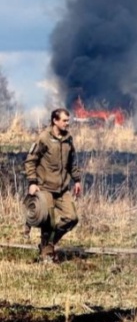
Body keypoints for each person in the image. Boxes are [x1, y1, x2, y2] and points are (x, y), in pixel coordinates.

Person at [24, 108, 82, 263]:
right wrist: (32, 182)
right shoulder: (44, 138)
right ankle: (47, 254)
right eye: (64, 121)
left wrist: (77, 180)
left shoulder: (68, 139)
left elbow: (72, 162)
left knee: (72, 218)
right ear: (55, 121)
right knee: (48, 222)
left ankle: (48, 244)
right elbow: (31, 161)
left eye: (68, 121)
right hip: (45, 187)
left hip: (62, 188)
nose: (67, 124)